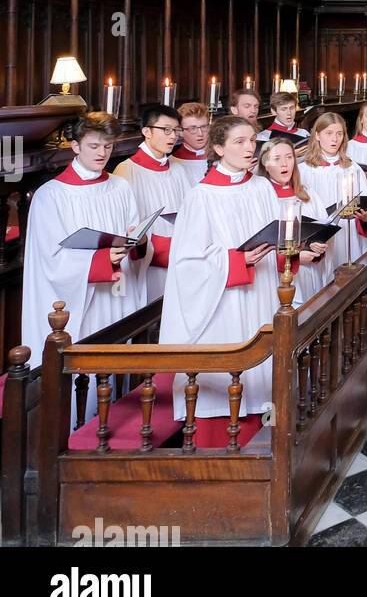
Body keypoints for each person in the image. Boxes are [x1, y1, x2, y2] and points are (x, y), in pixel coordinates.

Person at [159, 115, 281, 449]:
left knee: (263, 380)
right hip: (223, 307)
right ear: (218, 148)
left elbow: (278, 237)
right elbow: (187, 264)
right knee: (231, 381)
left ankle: (267, 448)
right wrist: (236, 261)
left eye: (252, 140)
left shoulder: (261, 186)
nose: (248, 147)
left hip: (261, 296)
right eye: (239, 142)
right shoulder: (201, 196)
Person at [22, 111, 148, 369]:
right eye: (93, 146)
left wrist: (140, 241)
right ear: (75, 145)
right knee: (85, 375)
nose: (102, 153)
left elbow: (133, 232)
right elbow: (49, 261)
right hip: (80, 299)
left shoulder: (120, 186)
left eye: (108, 146)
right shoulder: (51, 195)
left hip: (118, 293)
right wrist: (102, 260)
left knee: (115, 366)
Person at [110, 102, 186, 300]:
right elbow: (127, 226)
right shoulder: (126, 171)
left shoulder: (177, 169)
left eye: (176, 130)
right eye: (166, 130)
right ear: (147, 131)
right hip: (148, 262)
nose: (173, 136)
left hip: (180, 257)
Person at [297, 112, 367, 269]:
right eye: (328, 133)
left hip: (347, 233)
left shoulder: (352, 168)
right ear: (317, 135)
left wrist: (366, 218)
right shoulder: (303, 170)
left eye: (339, 134)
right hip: (319, 238)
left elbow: (365, 204)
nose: (334, 139)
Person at [256, 137, 330, 306]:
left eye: (289, 157)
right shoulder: (260, 199)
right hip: (276, 278)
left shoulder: (307, 193)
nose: (285, 164)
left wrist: (318, 245)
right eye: (277, 158)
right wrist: (295, 257)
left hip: (310, 274)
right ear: (265, 164)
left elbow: (320, 228)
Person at [171, 101, 212, 193]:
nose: (200, 133)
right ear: (180, 131)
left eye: (204, 127)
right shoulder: (172, 164)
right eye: (192, 128)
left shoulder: (223, 158)